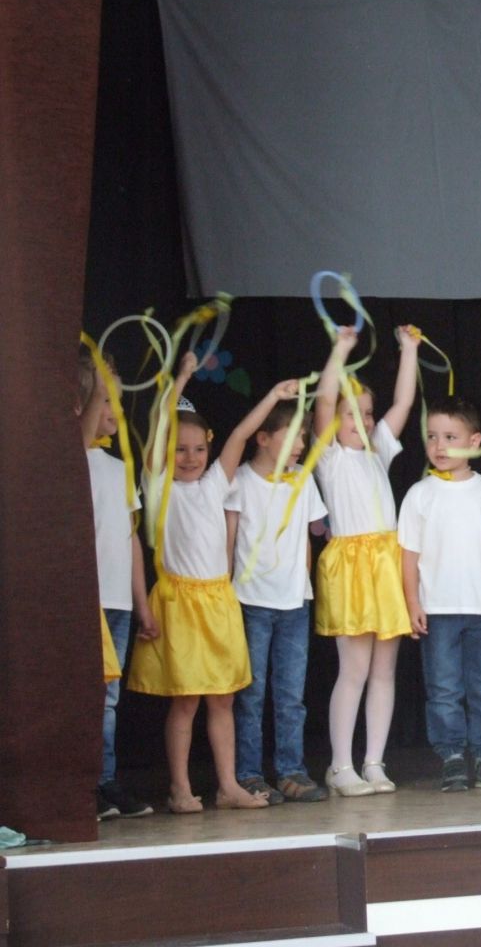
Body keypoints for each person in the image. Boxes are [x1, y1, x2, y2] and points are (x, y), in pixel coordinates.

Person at [128, 352, 295, 813]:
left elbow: (241, 434)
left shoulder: (217, 482)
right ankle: (180, 788)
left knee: (222, 700)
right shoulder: (159, 486)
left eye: (198, 449)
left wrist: (273, 396)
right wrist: (182, 377)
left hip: (218, 601)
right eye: (180, 449)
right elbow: (159, 426)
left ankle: (228, 786)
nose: (190, 458)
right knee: (185, 702)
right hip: (181, 603)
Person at [312, 325, 420, 795]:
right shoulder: (330, 457)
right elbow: (323, 400)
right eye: (351, 414)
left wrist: (409, 350)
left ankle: (374, 761)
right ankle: (340, 766)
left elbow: (404, 403)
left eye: (367, 413)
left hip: (386, 564)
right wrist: (340, 350)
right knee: (353, 670)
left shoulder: (379, 451)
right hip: (353, 566)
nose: (363, 421)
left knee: (383, 671)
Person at [399, 397, 481, 792]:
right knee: (444, 689)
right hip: (437, 609)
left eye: (450, 437)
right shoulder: (419, 494)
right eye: (432, 437)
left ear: (474, 441)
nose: (439, 446)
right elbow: (408, 555)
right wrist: (412, 602)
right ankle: (452, 756)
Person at [225, 403, 329, 803]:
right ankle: (249, 774)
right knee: (250, 695)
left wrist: (302, 585)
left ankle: (290, 770)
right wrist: (225, 591)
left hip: (294, 603)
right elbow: (230, 539)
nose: (301, 444)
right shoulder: (240, 480)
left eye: (303, 436)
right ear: (264, 438)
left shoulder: (303, 479)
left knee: (290, 697)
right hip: (250, 601)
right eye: (292, 436)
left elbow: (307, 539)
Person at [77, 349, 157, 819]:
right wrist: (96, 381)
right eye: (107, 400)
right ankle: (82, 785)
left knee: (108, 699)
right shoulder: (71, 459)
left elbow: (131, 540)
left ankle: (105, 783)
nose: (115, 410)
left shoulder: (118, 467)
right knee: (84, 697)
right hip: (83, 602)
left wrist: (140, 602)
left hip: (117, 602)